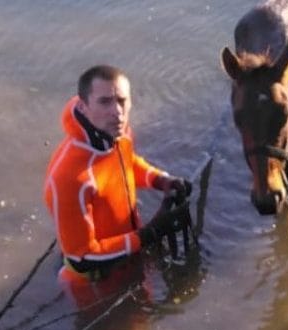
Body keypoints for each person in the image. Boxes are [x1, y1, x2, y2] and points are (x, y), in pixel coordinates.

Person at [44, 64, 192, 304]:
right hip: (93, 285)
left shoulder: (117, 134)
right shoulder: (69, 177)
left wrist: (160, 180)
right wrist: (150, 233)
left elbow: (128, 164)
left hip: (131, 256)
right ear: (83, 106)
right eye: (105, 102)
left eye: (122, 101)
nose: (117, 112)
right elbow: (82, 257)